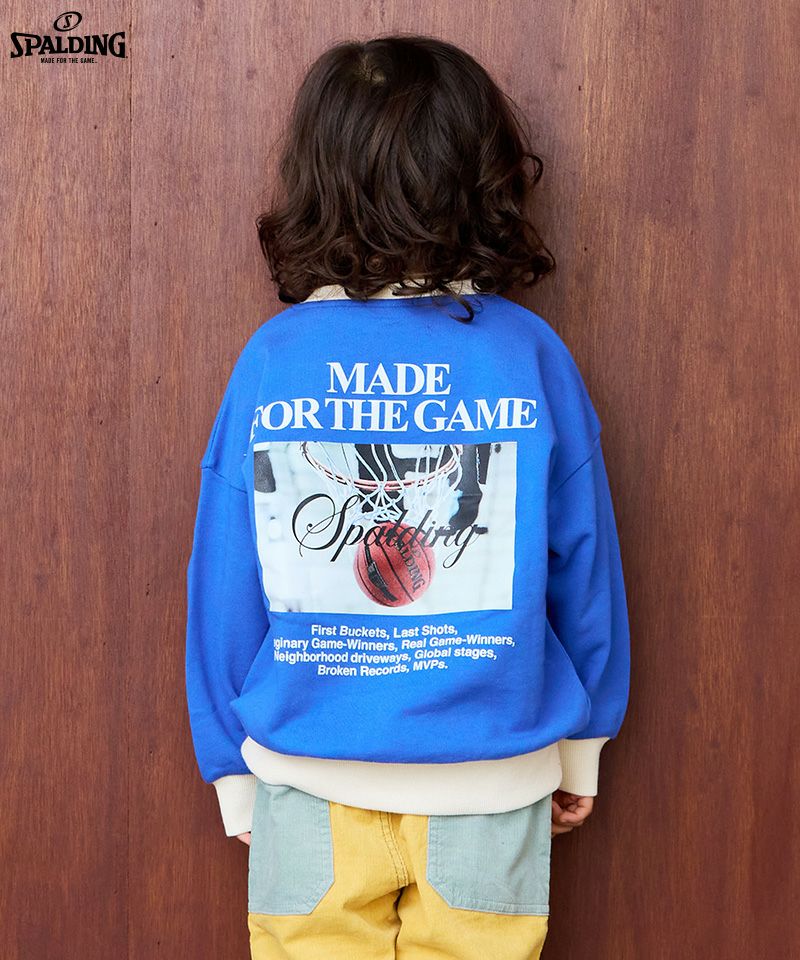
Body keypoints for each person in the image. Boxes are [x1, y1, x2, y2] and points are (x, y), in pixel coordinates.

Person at [185, 33, 631, 960]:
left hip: (305, 781)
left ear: (317, 177)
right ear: (484, 175)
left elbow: (224, 582)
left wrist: (231, 769)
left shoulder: (274, 361)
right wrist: (582, 745)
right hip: (493, 782)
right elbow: (585, 566)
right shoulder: (528, 356)